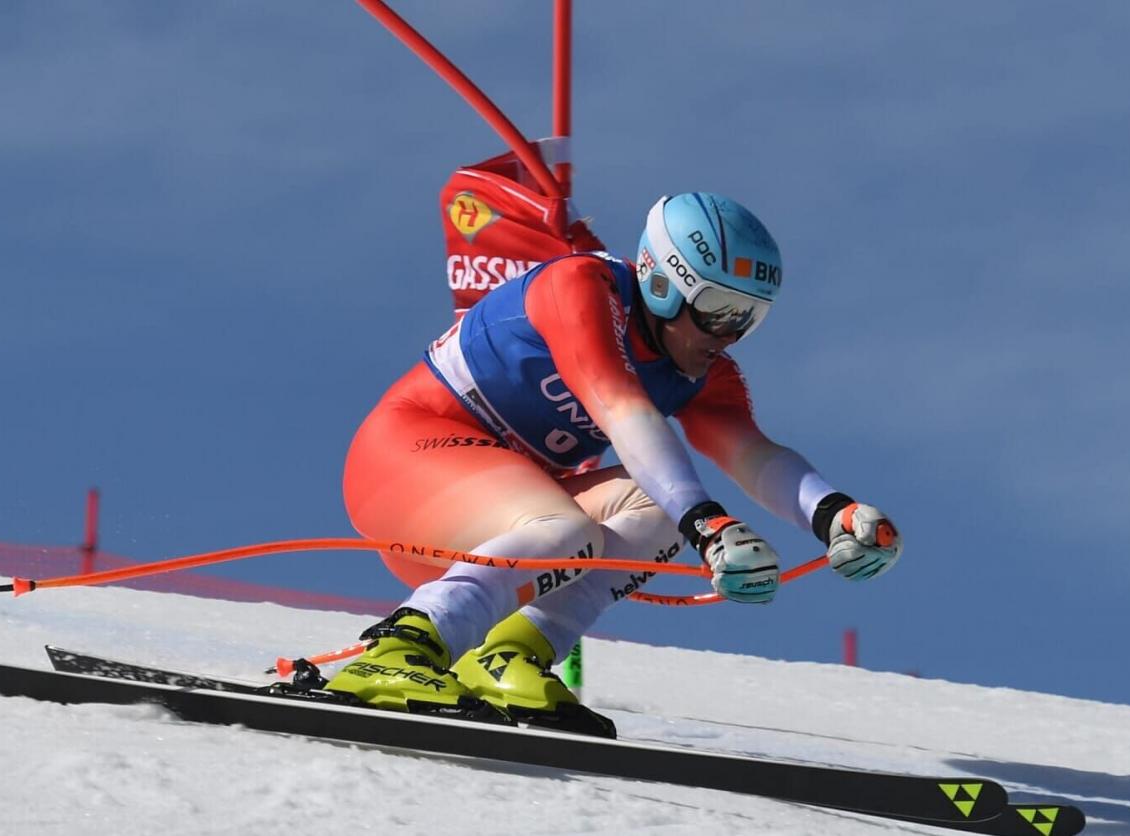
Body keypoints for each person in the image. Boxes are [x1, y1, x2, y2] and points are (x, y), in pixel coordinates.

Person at [326, 192, 902, 735]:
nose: (729, 335)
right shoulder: (582, 284)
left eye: (748, 317)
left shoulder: (703, 373)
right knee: (570, 527)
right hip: (406, 456)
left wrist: (834, 514)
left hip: (496, 526)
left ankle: (509, 654)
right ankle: (400, 650)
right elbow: (620, 407)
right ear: (660, 282)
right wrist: (709, 525)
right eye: (719, 310)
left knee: (654, 508)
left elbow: (753, 454)